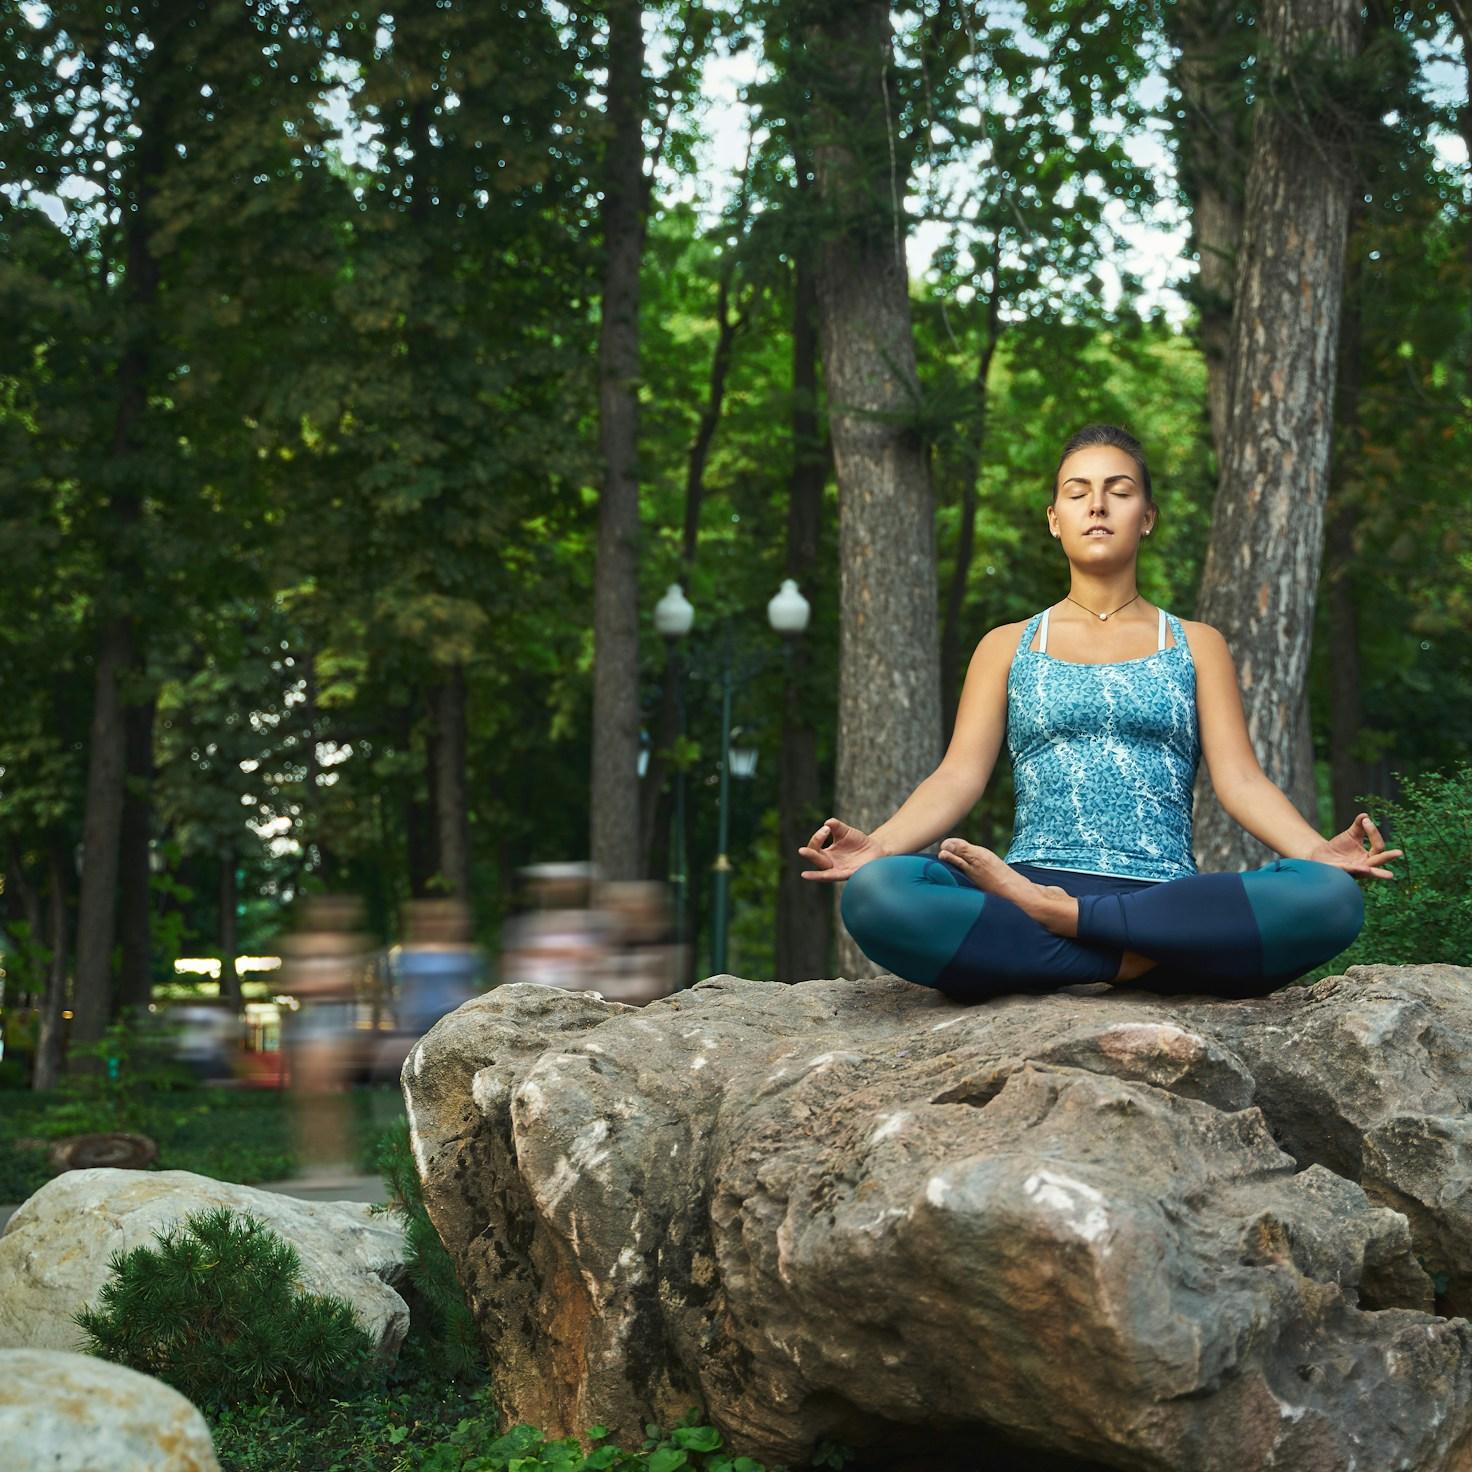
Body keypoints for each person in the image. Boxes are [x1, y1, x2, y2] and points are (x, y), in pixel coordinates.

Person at [799, 424, 1401, 1001]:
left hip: (1164, 897)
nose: (1097, 506)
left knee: (1329, 897)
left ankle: (1069, 926)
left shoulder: (1197, 644)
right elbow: (958, 776)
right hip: (1027, 885)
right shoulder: (1007, 645)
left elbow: (1240, 780)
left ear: (1148, 517)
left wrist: (1317, 852)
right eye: (1077, 492)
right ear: (1054, 519)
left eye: (1119, 491)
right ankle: (1137, 961)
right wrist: (879, 845)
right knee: (879, 892)